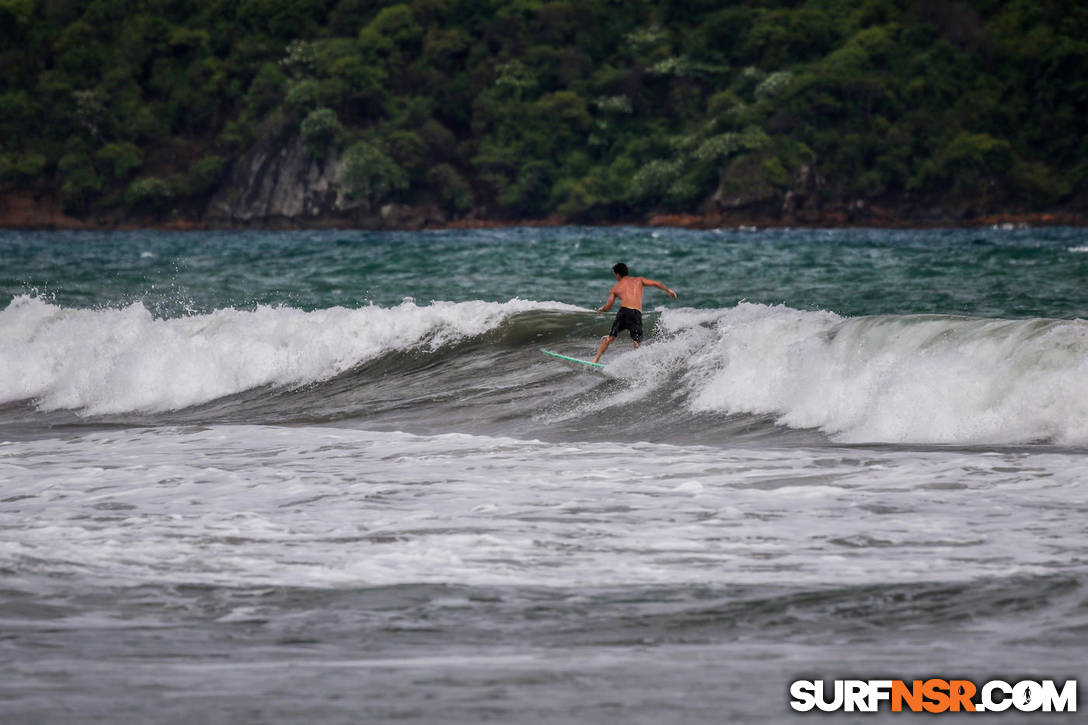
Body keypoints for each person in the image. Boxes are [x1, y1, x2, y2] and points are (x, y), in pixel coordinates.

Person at [591, 262, 677, 363]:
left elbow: (608, 306)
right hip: (636, 313)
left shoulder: (616, 288)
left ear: (617, 274)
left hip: (624, 311)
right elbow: (656, 283)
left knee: (610, 338)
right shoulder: (639, 280)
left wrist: (602, 309)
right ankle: (641, 365)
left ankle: (595, 359)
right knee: (637, 342)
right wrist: (668, 290)